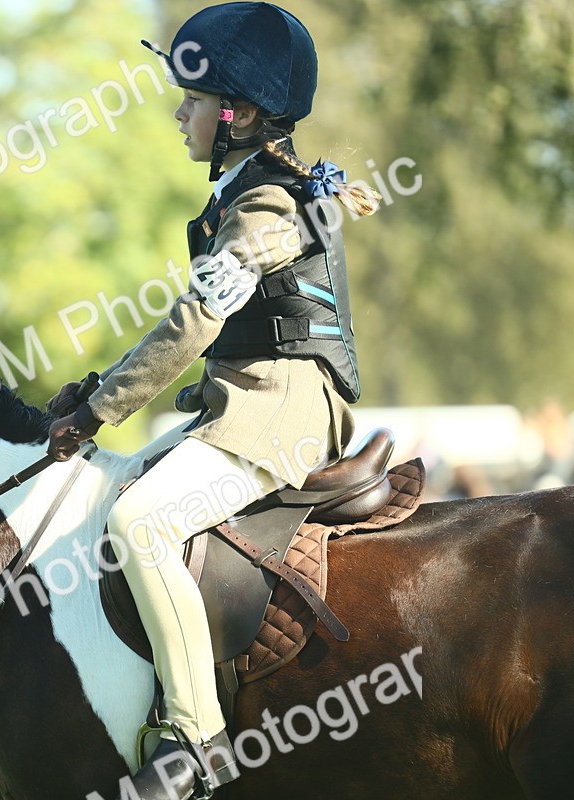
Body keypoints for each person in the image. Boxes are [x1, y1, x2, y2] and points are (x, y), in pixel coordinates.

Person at [45, 4, 379, 798]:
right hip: (245, 402)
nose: (177, 114)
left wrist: (101, 409)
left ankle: (198, 742)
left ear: (238, 113)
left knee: (142, 521)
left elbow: (196, 320)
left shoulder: (263, 206)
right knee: (108, 497)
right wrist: (96, 391)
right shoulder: (243, 192)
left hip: (284, 411)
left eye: (190, 100)